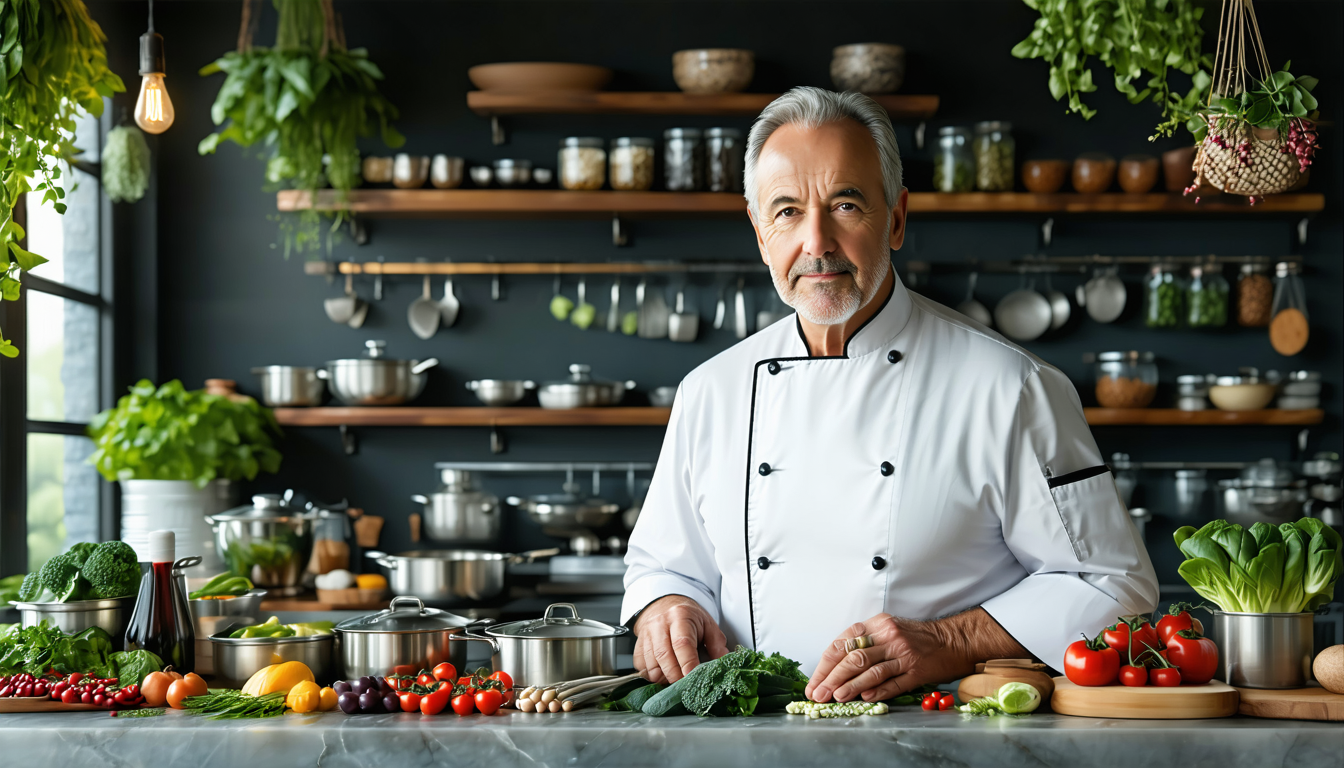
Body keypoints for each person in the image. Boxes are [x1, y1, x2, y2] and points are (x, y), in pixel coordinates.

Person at [621, 87, 1158, 704]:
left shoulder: (1011, 388)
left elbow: (1114, 586)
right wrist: (665, 605)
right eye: (787, 211)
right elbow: (663, 564)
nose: (817, 242)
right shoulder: (710, 391)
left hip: (937, 740)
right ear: (760, 232)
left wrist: (950, 641)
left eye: (845, 204)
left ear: (897, 218)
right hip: (751, 739)